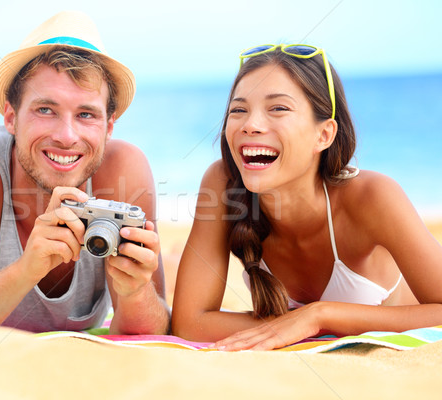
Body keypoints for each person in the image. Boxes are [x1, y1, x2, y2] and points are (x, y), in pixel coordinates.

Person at [0, 11, 170, 335]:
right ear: (11, 116)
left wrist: (136, 293)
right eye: (45, 109)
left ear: (108, 128)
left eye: (86, 114)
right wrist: (26, 270)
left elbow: (151, 332)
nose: (67, 136)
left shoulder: (124, 171)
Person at [171, 44, 442, 350]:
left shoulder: (372, 196)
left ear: (323, 135)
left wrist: (319, 316)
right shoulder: (223, 183)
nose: (250, 125)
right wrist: (295, 322)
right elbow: (189, 324)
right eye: (238, 110)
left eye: (278, 108)